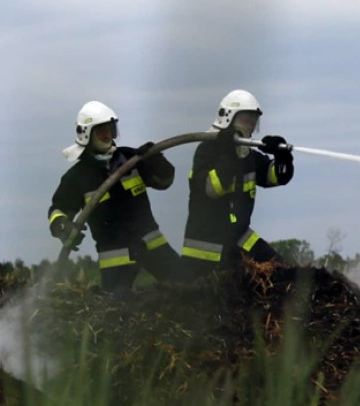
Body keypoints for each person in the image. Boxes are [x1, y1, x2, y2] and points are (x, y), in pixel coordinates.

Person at [48, 100, 184, 292]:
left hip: (153, 245)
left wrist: (156, 160)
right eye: (101, 132)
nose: (108, 135)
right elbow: (58, 209)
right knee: (116, 307)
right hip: (116, 258)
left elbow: (164, 182)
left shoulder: (130, 158)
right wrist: (62, 225)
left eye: (111, 130)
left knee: (187, 289)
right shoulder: (77, 177)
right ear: (87, 135)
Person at [181, 89, 294, 279]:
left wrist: (282, 156)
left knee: (283, 273)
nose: (249, 126)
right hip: (207, 248)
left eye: (253, 121)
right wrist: (229, 153)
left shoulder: (247, 155)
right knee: (225, 291)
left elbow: (276, 176)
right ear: (227, 118)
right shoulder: (207, 151)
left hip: (239, 236)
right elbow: (213, 189)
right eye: (245, 120)